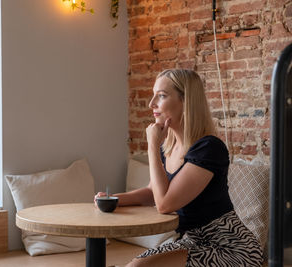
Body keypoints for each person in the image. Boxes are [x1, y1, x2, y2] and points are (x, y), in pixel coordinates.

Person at [94, 69, 263, 267]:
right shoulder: (169, 146)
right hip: (191, 241)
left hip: (229, 246)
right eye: (153, 95)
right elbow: (152, 192)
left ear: (186, 101)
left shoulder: (209, 148)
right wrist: (113, 199)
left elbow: (165, 204)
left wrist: (151, 146)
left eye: (162, 96)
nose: (151, 104)